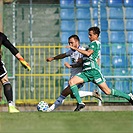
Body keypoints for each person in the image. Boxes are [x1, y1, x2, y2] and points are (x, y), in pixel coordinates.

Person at [67, 27, 133, 111]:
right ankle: (80, 103)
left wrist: (76, 49)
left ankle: (128, 97)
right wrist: (80, 60)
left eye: (90, 35)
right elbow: (90, 56)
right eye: (88, 34)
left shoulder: (95, 43)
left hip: (94, 72)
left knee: (107, 91)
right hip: (87, 72)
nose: (89, 36)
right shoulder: (92, 45)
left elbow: (88, 53)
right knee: (72, 82)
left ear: (96, 35)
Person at [46, 35, 102, 112]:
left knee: (64, 93)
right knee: (73, 95)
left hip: (79, 77)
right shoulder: (72, 51)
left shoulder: (82, 51)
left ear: (77, 42)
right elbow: (63, 55)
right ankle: (93, 94)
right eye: (69, 43)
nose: (70, 44)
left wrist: (70, 66)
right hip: (73, 77)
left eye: (72, 42)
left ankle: (49, 110)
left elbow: (84, 63)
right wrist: (53, 58)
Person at [0, 32, 31, 113]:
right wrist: (22, 60)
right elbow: (11, 48)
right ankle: (11, 105)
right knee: (5, 81)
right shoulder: (1, 36)